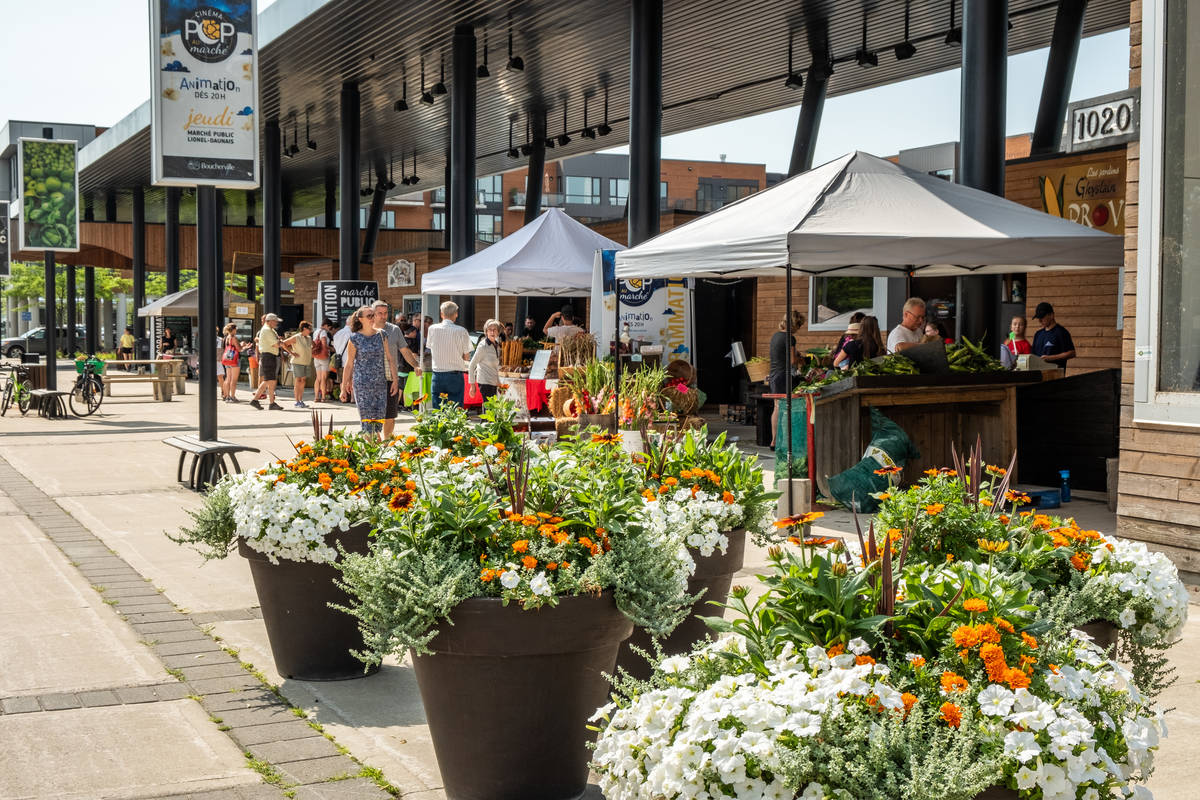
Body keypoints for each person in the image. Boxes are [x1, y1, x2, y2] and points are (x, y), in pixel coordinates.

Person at [339, 306, 396, 438]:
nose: (373, 318)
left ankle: (373, 450)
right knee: (367, 421)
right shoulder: (354, 339)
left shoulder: (382, 335)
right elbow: (349, 364)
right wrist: (343, 387)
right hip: (362, 385)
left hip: (380, 384)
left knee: (377, 420)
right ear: (361, 319)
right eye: (369, 316)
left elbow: (390, 358)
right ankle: (370, 451)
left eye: (373, 315)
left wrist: (395, 380)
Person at [372, 300, 420, 438]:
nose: (383, 316)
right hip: (372, 379)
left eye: (385, 313)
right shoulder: (366, 330)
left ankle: (387, 443)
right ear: (373, 314)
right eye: (379, 313)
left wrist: (415, 365)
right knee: (373, 415)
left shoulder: (394, 330)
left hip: (390, 378)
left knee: (390, 415)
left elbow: (405, 351)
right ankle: (374, 443)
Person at [426, 301, 472, 409]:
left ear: (441, 314)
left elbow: (430, 347)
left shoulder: (432, 329)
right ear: (456, 314)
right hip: (455, 375)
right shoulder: (462, 331)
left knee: (438, 409)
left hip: (438, 374)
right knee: (456, 410)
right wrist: (466, 369)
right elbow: (466, 355)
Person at [768, 310, 804, 448]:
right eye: (799, 325)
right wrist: (800, 358)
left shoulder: (775, 336)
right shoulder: (790, 338)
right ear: (795, 324)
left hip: (774, 375)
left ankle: (774, 440)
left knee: (777, 407)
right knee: (787, 408)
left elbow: (781, 355)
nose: (798, 329)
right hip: (784, 376)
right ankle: (785, 442)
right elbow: (792, 361)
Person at [249, 313, 284, 410]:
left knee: (269, 380)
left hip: (269, 356)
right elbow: (276, 344)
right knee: (270, 380)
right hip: (268, 356)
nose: (276, 323)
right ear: (270, 321)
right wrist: (283, 342)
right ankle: (264, 402)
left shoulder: (270, 330)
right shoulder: (267, 330)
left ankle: (259, 401)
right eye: (275, 321)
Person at [1031, 302, 1075, 370]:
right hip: (1038, 376)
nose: (1039, 320)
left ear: (1051, 315)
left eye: (1042, 317)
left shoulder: (1061, 332)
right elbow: (1033, 355)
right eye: (1038, 318)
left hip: (1056, 375)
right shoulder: (1038, 334)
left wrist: (1051, 358)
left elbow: (1072, 353)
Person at [282, 321, 315, 408]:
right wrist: (291, 353)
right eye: (309, 328)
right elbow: (284, 343)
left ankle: (301, 400)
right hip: (297, 362)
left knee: (303, 381)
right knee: (298, 381)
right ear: (304, 328)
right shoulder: (296, 337)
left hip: (306, 362)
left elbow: (312, 346)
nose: (310, 330)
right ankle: (297, 401)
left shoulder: (309, 338)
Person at [469, 319, 503, 403]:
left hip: (493, 382)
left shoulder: (497, 345)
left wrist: (499, 383)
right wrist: (472, 386)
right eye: (489, 329)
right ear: (486, 331)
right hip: (485, 382)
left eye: (494, 329)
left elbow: (495, 367)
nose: (492, 332)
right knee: (488, 410)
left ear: (498, 332)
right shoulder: (482, 346)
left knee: (493, 410)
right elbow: (472, 365)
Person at [220, 323, 248, 402]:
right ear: (233, 329)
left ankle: (227, 396)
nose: (236, 330)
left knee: (228, 379)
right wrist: (245, 346)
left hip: (227, 360)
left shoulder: (226, 338)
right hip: (234, 360)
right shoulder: (233, 338)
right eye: (236, 329)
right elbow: (239, 349)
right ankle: (232, 397)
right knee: (234, 380)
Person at [312, 319, 334, 402]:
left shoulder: (316, 331)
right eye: (329, 327)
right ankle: (323, 397)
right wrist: (331, 349)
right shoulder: (323, 332)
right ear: (326, 325)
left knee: (318, 378)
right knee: (324, 378)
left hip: (316, 356)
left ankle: (316, 397)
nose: (329, 329)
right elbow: (324, 343)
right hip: (323, 357)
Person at [331, 319, 353, 401]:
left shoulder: (337, 333)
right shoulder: (353, 333)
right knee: (352, 379)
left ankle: (343, 398)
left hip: (339, 360)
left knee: (341, 380)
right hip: (350, 360)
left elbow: (335, 347)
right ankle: (352, 399)